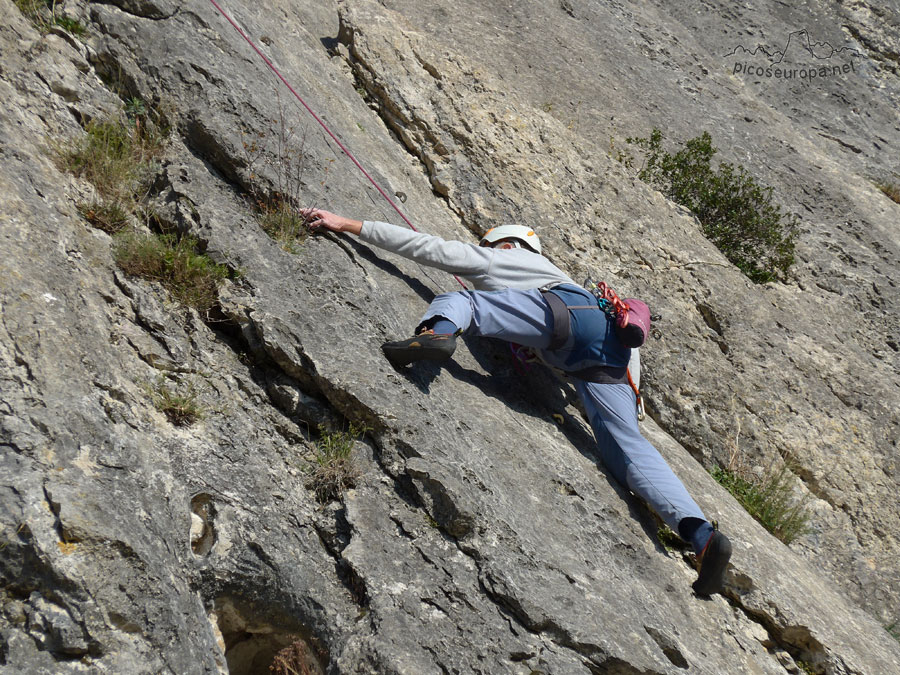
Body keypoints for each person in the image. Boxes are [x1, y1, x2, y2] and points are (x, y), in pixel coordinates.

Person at [302, 208, 732, 596]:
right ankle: (700, 535)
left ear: (506, 244)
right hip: (611, 357)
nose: (484, 255)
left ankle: (438, 334)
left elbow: (429, 248)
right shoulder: (583, 287)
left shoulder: (507, 257)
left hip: (561, 317)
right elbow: (620, 356)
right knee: (627, 450)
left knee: (466, 300)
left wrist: (349, 224)